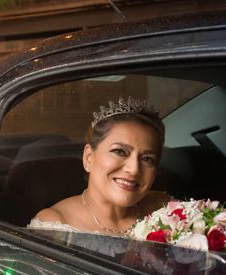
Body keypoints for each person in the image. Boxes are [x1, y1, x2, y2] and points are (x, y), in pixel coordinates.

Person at [28, 97, 170, 237]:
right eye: (119, 151)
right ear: (89, 157)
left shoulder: (166, 209)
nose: (133, 170)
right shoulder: (54, 223)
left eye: (147, 159)